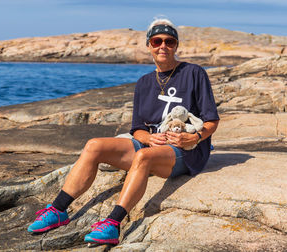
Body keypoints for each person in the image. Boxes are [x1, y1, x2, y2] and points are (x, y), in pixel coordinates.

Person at [27, 18, 220, 246]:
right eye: (157, 41)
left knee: (143, 157)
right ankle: (58, 210)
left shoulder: (194, 73)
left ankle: (112, 224)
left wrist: (194, 136)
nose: (163, 46)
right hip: (151, 145)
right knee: (94, 146)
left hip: (185, 150)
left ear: (176, 46)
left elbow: (212, 120)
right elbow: (137, 129)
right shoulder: (144, 82)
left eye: (169, 42)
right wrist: (148, 137)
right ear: (149, 45)